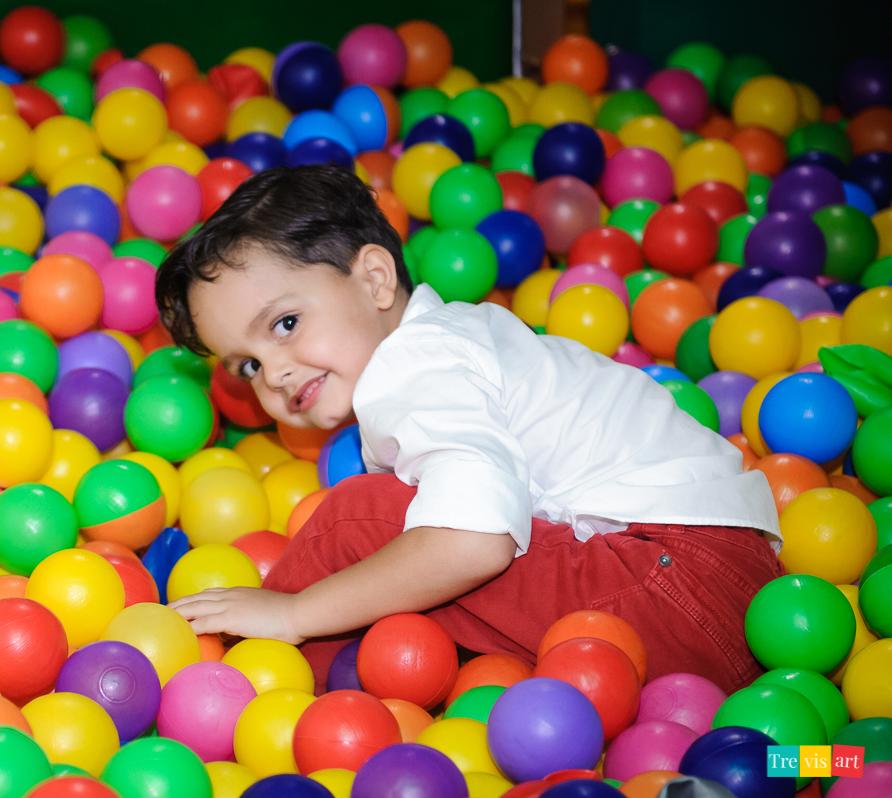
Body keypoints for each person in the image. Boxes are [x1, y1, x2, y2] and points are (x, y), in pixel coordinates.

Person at [156, 164, 783, 693]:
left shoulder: (417, 364)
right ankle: (835, 764)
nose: (276, 374)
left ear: (375, 279)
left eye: (286, 323)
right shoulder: (458, 337)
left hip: (668, 582)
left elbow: (471, 542)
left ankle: (262, 697)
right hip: (741, 607)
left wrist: (292, 612)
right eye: (248, 366)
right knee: (768, 759)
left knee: (359, 525)